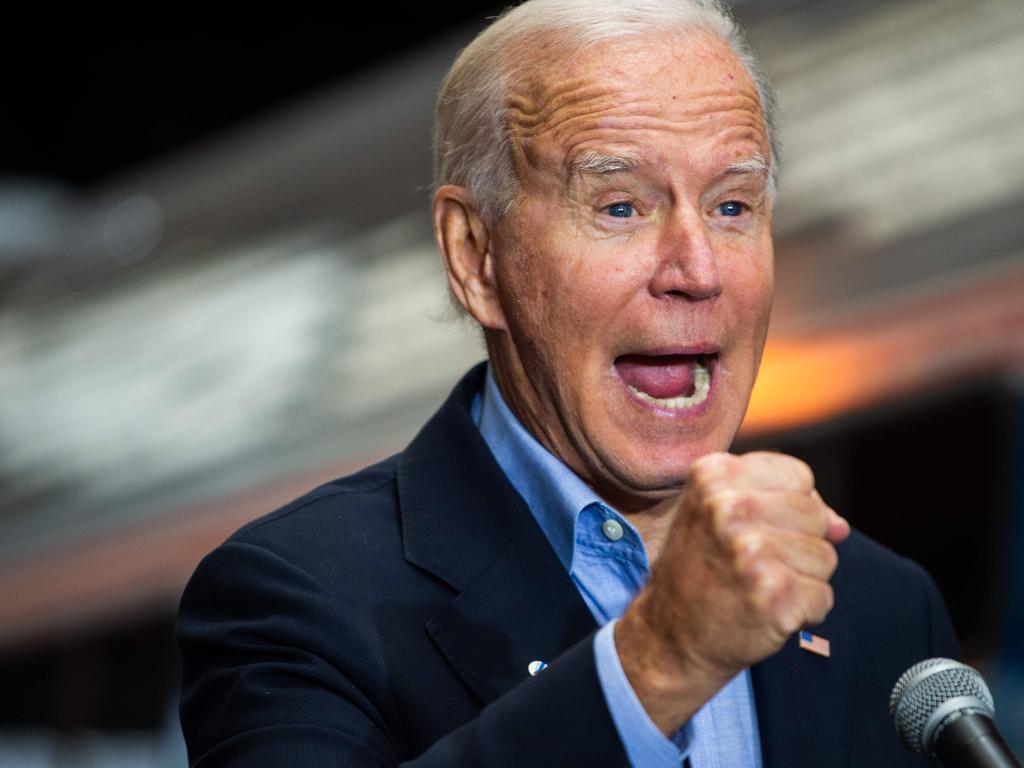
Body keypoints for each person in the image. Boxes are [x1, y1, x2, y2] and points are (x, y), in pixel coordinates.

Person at [176, 1, 958, 765]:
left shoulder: (882, 607)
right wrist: (659, 661)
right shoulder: (292, 597)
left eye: (731, 206)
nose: (698, 270)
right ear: (476, 255)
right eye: (620, 206)